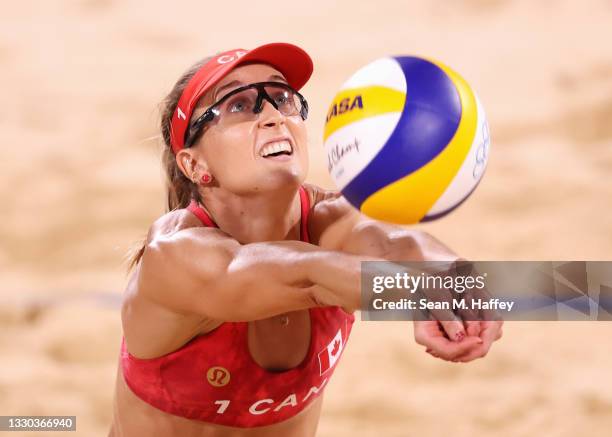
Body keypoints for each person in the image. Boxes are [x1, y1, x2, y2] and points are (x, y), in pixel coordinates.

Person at [109, 42, 503, 437]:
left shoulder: (329, 219)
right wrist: (414, 289)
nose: (272, 115)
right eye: (238, 105)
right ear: (194, 164)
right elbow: (306, 275)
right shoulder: (174, 254)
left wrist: (457, 280)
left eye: (282, 98)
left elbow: (399, 245)